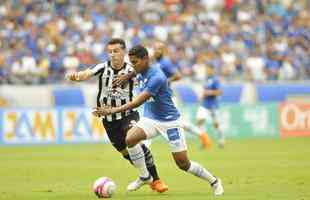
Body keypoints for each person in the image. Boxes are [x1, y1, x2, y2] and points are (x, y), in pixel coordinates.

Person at [93, 45, 224, 196]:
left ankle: (214, 181)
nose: (132, 66)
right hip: (151, 119)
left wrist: (110, 110)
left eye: (135, 62)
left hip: (170, 122)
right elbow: (136, 70)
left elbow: (137, 102)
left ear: (145, 60)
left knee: (183, 164)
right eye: (131, 62)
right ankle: (145, 176)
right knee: (130, 139)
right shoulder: (141, 68)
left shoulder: (157, 77)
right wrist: (127, 76)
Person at [66, 39, 168, 193]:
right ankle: (146, 176)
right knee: (126, 153)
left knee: (133, 141)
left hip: (128, 114)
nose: (112, 54)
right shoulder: (103, 67)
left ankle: (156, 180)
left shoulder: (132, 70)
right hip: (108, 120)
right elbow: (87, 73)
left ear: (124, 52)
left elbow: (147, 69)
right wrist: (77, 76)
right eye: (110, 51)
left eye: (116, 51)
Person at [153, 41, 213, 149]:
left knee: (178, 122)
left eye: (159, 49)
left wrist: (165, 81)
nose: (156, 51)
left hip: (168, 98)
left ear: (163, 51)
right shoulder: (155, 64)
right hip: (159, 98)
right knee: (153, 121)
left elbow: (178, 75)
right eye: (155, 49)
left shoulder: (165, 63)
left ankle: (203, 136)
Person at [196, 65, 225, 148]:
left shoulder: (215, 80)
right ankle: (205, 141)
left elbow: (220, 92)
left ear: (212, 70)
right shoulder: (206, 79)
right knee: (199, 122)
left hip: (213, 105)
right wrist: (201, 97)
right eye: (207, 69)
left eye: (209, 69)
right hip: (204, 104)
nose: (207, 70)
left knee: (216, 124)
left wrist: (209, 92)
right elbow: (204, 91)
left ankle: (221, 140)